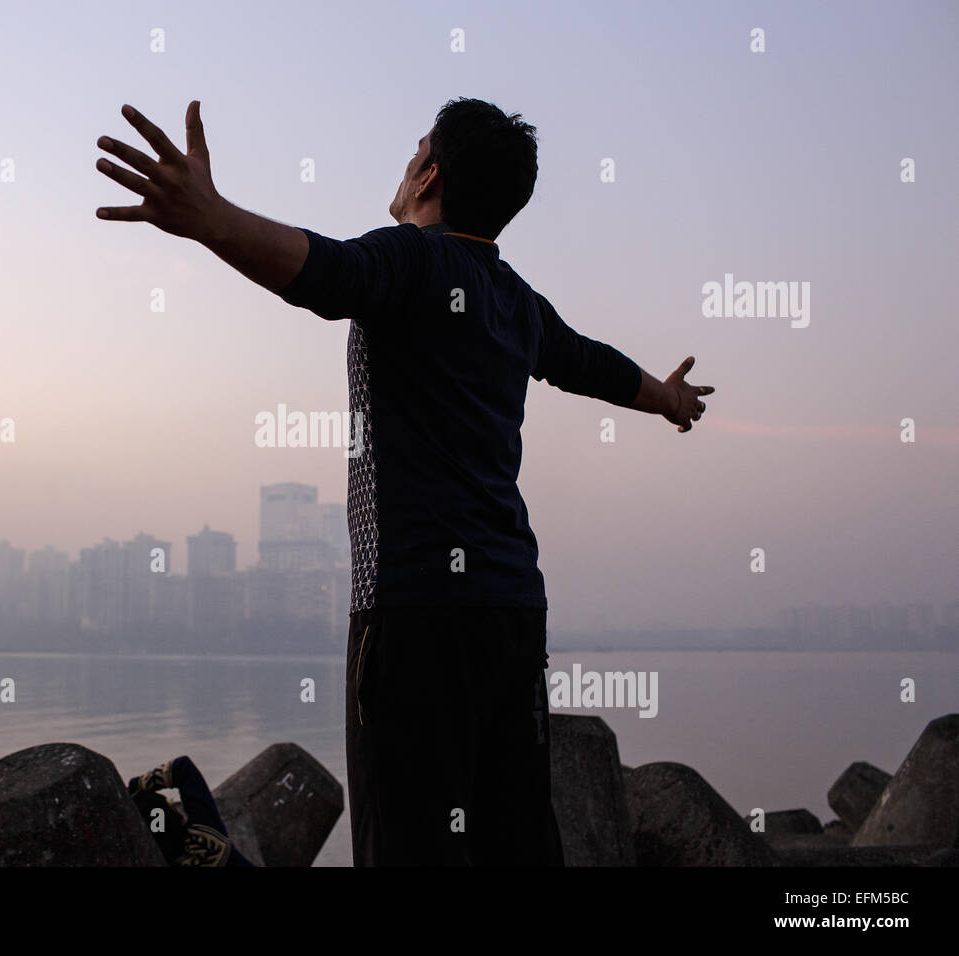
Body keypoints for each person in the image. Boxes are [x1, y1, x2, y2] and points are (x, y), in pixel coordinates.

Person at [95, 97, 714, 866]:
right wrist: (669, 398)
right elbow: (593, 365)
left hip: (416, 614)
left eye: (415, 148)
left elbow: (324, 271)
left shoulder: (411, 259)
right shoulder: (515, 301)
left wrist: (211, 217)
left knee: (408, 844)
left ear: (429, 173)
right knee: (514, 841)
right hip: (513, 613)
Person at [127, 755, 255, 867]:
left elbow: (158, 827)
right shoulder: (204, 842)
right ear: (178, 817)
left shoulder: (161, 857)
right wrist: (135, 785)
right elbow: (183, 768)